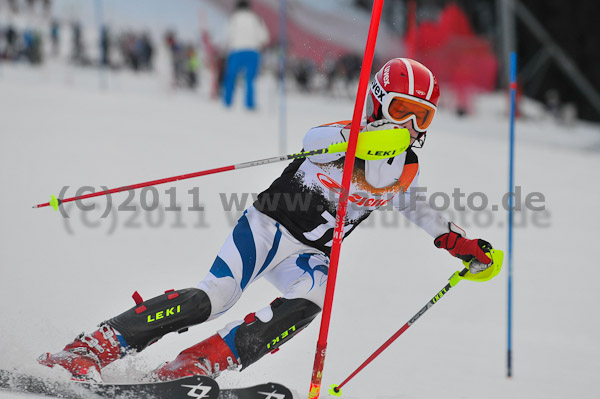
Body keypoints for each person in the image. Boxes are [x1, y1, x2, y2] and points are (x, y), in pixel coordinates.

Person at [39, 58, 495, 382]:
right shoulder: (342, 135)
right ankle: (90, 348)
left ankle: (197, 363)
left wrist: (458, 244)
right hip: (267, 228)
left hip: (312, 253)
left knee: (311, 301)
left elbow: (418, 207)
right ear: (377, 102)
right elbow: (310, 137)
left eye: (422, 117)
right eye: (401, 111)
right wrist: (360, 138)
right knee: (212, 299)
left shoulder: (404, 169)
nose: (410, 125)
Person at [222, 0, 269, 110]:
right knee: (250, 79)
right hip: (252, 52)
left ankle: (227, 103)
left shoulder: (233, 19)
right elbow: (264, 37)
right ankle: (249, 104)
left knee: (231, 77)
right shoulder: (256, 19)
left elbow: (226, 36)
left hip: (236, 51)